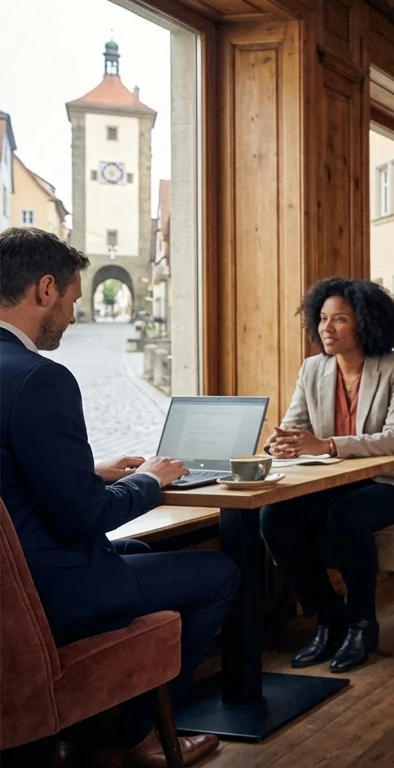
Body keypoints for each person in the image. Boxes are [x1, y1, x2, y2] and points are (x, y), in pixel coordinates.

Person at [0, 227, 235, 767]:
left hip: (20, 582)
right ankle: (131, 740)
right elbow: (85, 517)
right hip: (49, 590)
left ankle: (99, 728)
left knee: (146, 557)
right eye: (73, 299)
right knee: (219, 574)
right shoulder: (40, 378)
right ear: (44, 289)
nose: (74, 315)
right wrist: (149, 479)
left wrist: (88, 469)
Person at [260, 277, 394, 673]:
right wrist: (280, 444)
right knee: (274, 516)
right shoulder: (312, 369)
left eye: (339, 319)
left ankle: (363, 623)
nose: (326, 328)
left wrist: (326, 445)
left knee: (348, 516)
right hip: (339, 480)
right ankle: (329, 617)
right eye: (323, 318)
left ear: (364, 322)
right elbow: (295, 426)